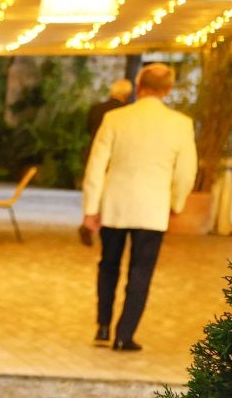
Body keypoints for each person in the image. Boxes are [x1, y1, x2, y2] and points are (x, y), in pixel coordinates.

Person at [82, 62, 196, 352]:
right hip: (152, 208)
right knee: (140, 272)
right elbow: (185, 172)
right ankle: (124, 335)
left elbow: (96, 166)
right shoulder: (180, 124)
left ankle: (103, 326)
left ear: (139, 85)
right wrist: (176, 203)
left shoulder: (115, 118)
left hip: (115, 205)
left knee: (108, 265)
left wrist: (91, 209)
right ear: (169, 90)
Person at [79, 78, 133, 246]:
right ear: (128, 94)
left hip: (93, 153)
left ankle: (90, 218)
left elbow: (88, 129)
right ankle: (104, 223)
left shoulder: (97, 109)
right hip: (115, 158)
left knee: (94, 187)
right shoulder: (126, 113)